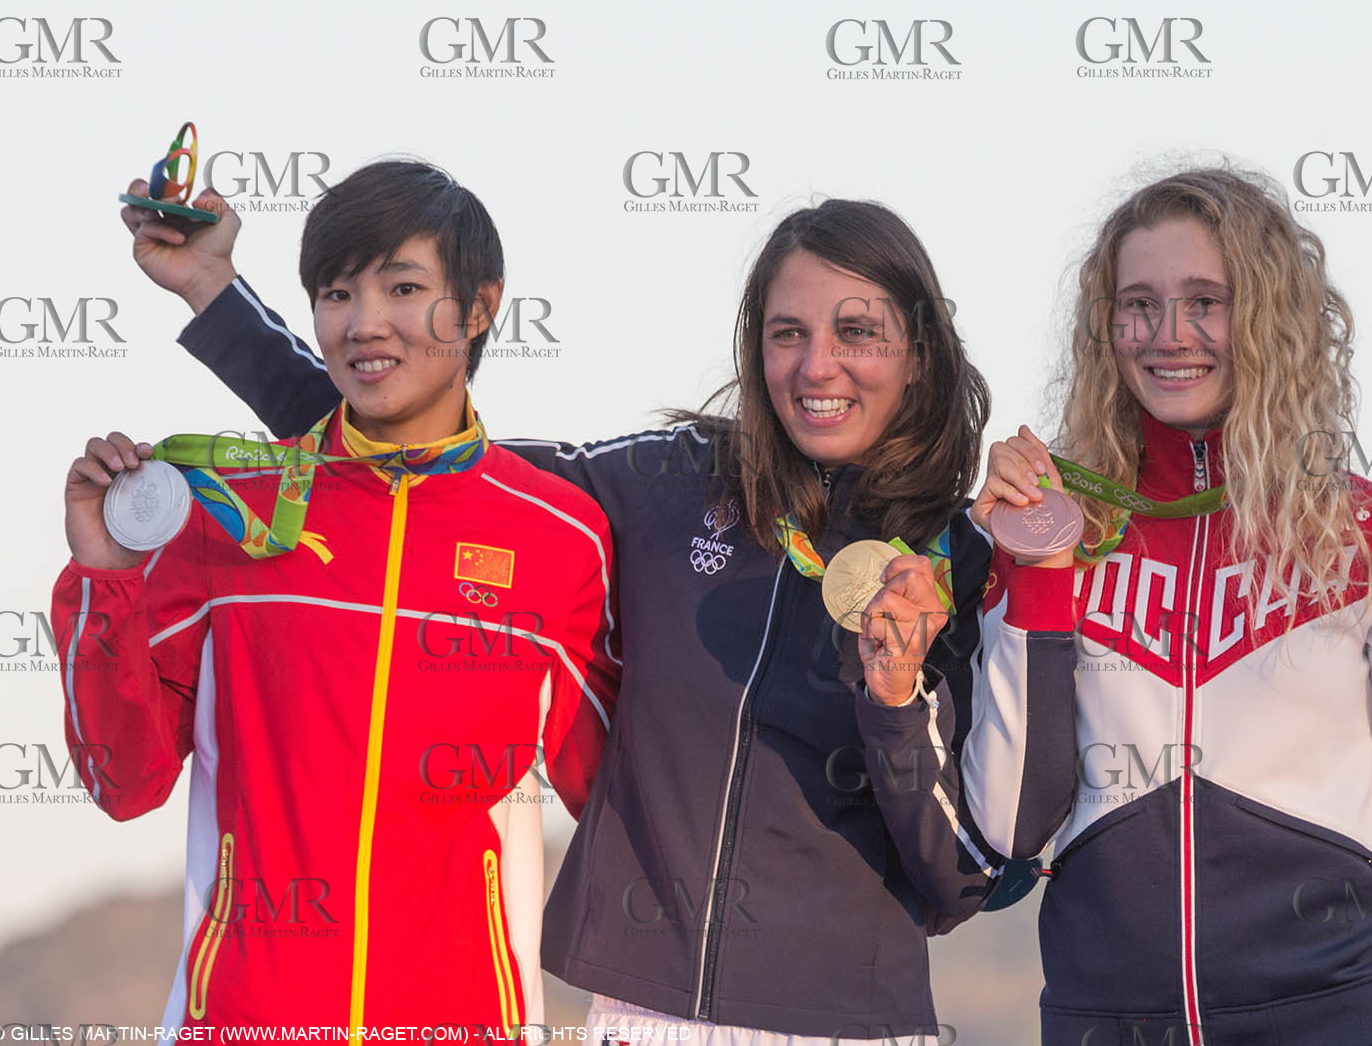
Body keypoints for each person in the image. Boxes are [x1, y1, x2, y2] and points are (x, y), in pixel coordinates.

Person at [130, 191, 1077, 1043]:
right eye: (786, 332)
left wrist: (897, 695)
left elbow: (964, 876)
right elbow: (414, 453)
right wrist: (215, 295)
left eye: (856, 331)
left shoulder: (956, 561)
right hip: (639, 1016)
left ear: (919, 352)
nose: (816, 364)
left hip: (847, 1026)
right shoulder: (671, 482)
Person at [54, 162, 621, 1037]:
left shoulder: (558, 538)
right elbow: (122, 781)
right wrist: (105, 580)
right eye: (336, 293)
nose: (364, 324)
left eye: (404, 288)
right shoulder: (227, 514)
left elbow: (632, 798)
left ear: (480, 307)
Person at [965, 166, 1372, 1045]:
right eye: (1138, 304)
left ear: (1267, 317)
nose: (1169, 334)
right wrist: (1035, 568)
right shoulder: (1057, 535)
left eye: (1205, 302)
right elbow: (1008, 824)